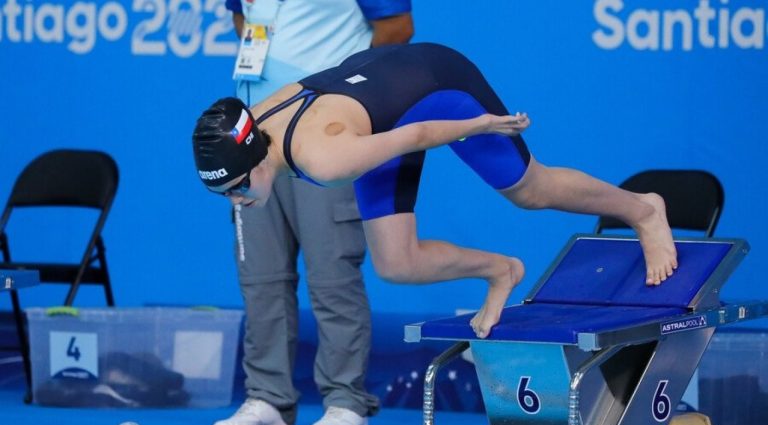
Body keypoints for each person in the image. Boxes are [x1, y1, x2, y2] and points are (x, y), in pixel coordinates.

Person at [192, 42, 677, 343]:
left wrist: (481, 125)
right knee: (396, 263)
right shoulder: (254, 121)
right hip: (374, 110)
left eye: (238, 187)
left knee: (530, 189)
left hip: (437, 85)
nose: (237, 201)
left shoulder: (324, 158)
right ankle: (501, 270)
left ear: (258, 160)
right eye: (224, 194)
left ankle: (643, 210)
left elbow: (418, 135)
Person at [214, 2, 413, 425]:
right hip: (253, 133)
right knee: (261, 277)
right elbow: (241, 17)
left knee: (332, 275)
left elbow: (397, 27)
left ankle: (346, 403)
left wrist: (339, 93)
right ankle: (267, 399)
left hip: (324, 133)